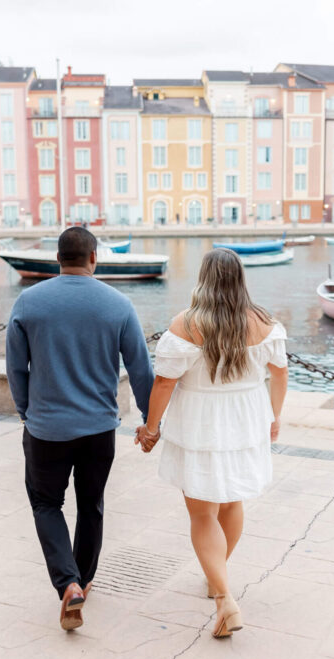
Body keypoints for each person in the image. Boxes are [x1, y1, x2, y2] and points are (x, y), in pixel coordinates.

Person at [6, 226, 154, 631]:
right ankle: (83, 581)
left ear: (58, 259)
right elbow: (142, 370)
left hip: (46, 429)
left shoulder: (28, 302)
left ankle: (66, 582)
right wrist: (150, 421)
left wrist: (26, 411)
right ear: (94, 259)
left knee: (45, 504)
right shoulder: (119, 305)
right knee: (91, 505)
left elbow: (16, 368)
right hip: (98, 430)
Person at [136, 248, 288, 638]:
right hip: (246, 418)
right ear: (241, 278)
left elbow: (165, 381)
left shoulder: (186, 324)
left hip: (201, 421)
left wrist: (151, 429)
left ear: (203, 278)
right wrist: (274, 417)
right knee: (232, 499)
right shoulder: (264, 322)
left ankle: (224, 598)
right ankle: (215, 575)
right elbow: (279, 374)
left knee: (202, 512)